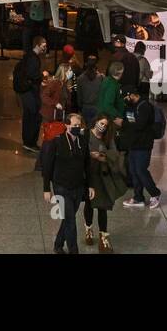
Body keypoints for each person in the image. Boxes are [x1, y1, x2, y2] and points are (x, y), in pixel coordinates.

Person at [41, 113, 92, 254]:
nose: (77, 127)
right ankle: (73, 250)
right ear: (67, 125)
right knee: (70, 220)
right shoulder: (57, 142)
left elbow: (87, 164)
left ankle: (58, 244)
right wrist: (46, 188)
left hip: (78, 186)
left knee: (68, 218)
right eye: (74, 125)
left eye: (79, 125)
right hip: (61, 186)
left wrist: (90, 185)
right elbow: (47, 166)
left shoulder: (82, 141)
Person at [85, 114, 128, 252]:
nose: (102, 127)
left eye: (105, 125)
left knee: (102, 206)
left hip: (103, 177)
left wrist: (102, 156)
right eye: (101, 123)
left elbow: (114, 154)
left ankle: (103, 236)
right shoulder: (86, 135)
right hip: (89, 175)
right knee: (89, 204)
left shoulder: (108, 138)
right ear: (96, 121)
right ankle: (88, 228)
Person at [121, 88, 161, 209]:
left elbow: (139, 125)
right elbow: (130, 120)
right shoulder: (131, 105)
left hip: (143, 145)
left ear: (133, 95)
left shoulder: (145, 106)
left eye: (127, 97)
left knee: (141, 170)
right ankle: (138, 197)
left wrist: (123, 124)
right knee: (133, 170)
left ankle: (155, 193)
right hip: (133, 144)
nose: (126, 99)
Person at [16, 36, 47, 153]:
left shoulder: (29, 56)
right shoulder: (34, 59)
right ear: (37, 45)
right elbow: (32, 75)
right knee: (33, 117)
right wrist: (42, 76)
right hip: (29, 92)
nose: (45, 48)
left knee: (29, 116)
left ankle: (28, 141)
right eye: (44, 46)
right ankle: (30, 142)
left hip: (26, 91)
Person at [78, 54, 103, 128]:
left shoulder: (80, 78)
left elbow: (79, 95)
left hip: (85, 107)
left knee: (88, 127)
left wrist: (80, 106)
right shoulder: (101, 78)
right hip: (97, 107)